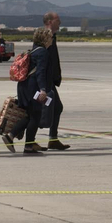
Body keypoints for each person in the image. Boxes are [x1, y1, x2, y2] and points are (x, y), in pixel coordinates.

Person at [17, 26, 57, 155]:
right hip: (33, 88)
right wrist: (43, 90)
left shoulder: (34, 50)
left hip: (25, 87)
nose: (52, 39)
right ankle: (27, 146)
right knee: (35, 115)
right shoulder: (43, 52)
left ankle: (12, 136)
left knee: (30, 115)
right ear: (45, 38)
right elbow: (40, 73)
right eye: (50, 37)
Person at [40, 11, 69, 150]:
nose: (60, 22)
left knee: (56, 108)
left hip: (49, 80)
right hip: (45, 81)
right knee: (40, 110)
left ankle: (53, 139)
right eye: (58, 20)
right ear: (50, 21)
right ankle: (14, 133)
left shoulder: (52, 36)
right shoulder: (45, 37)